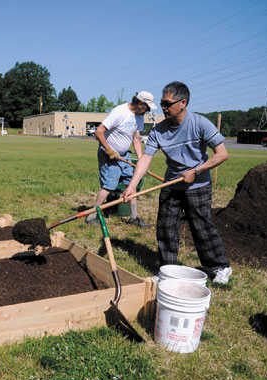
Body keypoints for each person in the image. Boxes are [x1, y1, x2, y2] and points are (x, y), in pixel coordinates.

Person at [122, 81, 232, 285]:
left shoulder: (200, 123)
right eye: (162, 103)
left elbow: (222, 154)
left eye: (167, 103)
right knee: (166, 228)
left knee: (201, 227)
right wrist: (131, 187)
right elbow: (146, 159)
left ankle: (220, 267)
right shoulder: (158, 131)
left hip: (198, 185)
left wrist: (197, 171)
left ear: (183, 103)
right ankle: (167, 270)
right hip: (171, 184)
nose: (163, 107)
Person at [84, 91, 157, 227]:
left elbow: (136, 139)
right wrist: (109, 150)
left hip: (124, 155)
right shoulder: (120, 112)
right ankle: (91, 216)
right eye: (147, 107)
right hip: (109, 155)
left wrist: (141, 161)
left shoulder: (139, 117)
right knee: (109, 186)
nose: (147, 111)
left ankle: (133, 218)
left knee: (132, 183)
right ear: (140, 104)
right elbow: (99, 132)